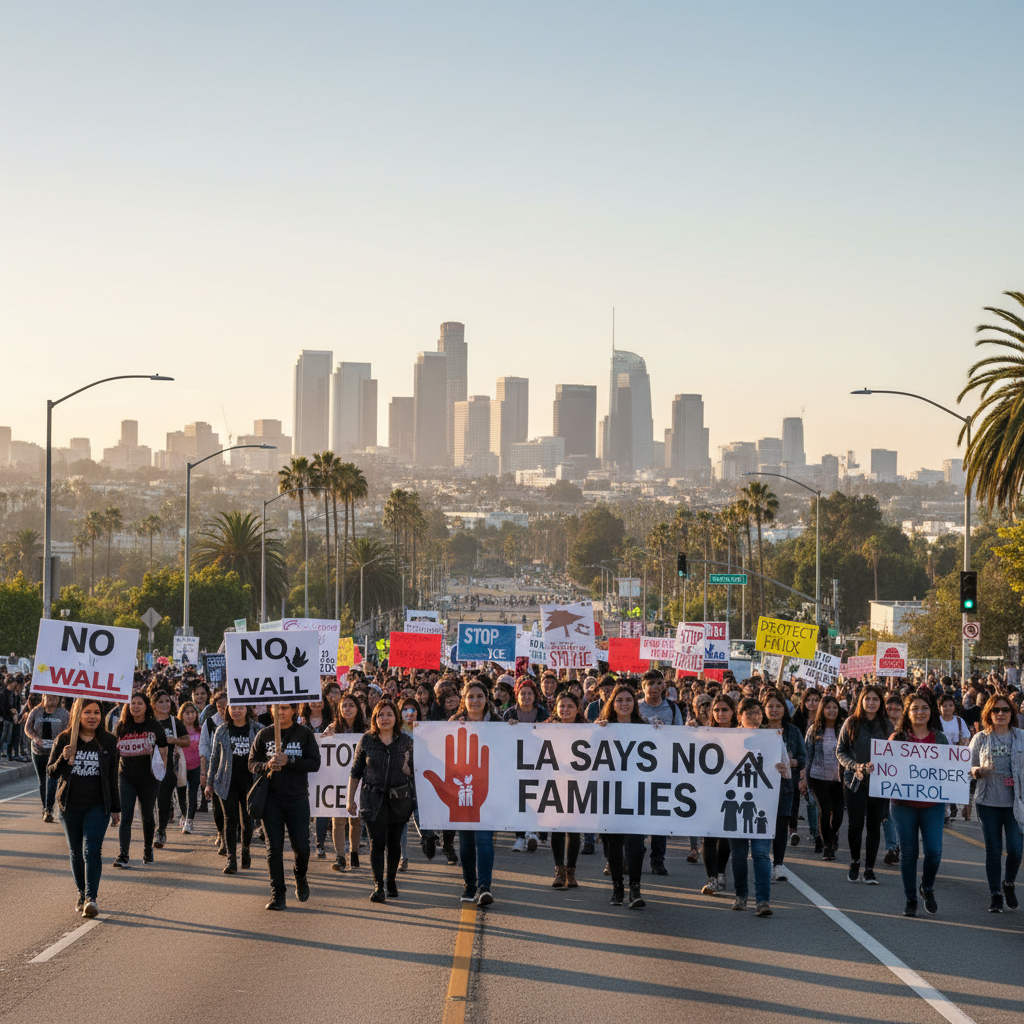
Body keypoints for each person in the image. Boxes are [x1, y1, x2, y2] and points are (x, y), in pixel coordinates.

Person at [47, 699, 121, 918]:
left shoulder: (108, 741)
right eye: (87, 712)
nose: (92, 716)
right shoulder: (64, 739)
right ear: (78, 714)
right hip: (69, 805)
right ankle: (81, 892)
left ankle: (91, 898)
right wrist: (64, 757)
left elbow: (111, 777)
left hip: (98, 806)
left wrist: (116, 808)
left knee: (92, 850)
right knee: (75, 852)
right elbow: (51, 772)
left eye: (97, 712)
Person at [248, 704, 322, 911]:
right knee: (274, 849)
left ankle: (300, 874)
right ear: (271, 710)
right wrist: (266, 765)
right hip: (271, 800)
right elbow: (252, 762)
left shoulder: (304, 734)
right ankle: (277, 894)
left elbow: (315, 763)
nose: (281, 712)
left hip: (297, 799)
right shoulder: (264, 734)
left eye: (286, 708)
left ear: (294, 711)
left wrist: (290, 760)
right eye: (277, 708)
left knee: (302, 847)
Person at [347, 699, 415, 904]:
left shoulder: (406, 741)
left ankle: (391, 880)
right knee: (377, 843)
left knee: (394, 844)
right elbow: (355, 772)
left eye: (389, 714)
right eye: (380, 715)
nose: (384, 719)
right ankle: (378, 886)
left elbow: (416, 772)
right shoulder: (367, 740)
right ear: (375, 719)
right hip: (372, 799)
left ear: (396, 717)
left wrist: (407, 770)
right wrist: (350, 799)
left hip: (399, 800)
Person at [889, 694, 950, 917]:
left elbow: (948, 769)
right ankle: (910, 898)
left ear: (931, 712)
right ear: (908, 712)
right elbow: (886, 766)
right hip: (902, 804)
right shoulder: (897, 737)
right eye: (915, 708)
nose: (920, 712)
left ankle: (927, 886)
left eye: (925, 708)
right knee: (908, 853)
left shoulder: (940, 738)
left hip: (932, 803)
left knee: (934, 851)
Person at [730, 697, 788, 917]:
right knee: (738, 854)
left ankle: (763, 901)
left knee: (762, 854)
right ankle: (741, 895)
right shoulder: (729, 739)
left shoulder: (773, 739)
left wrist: (783, 768)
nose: (754, 716)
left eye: (757, 712)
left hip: (763, 803)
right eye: (749, 712)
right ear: (740, 716)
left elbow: (787, 772)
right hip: (734, 803)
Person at [446, 680, 499, 905]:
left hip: (490, 789)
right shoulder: (453, 723)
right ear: (463, 700)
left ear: (487, 699)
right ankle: (470, 885)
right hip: (462, 789)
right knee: (466, 840)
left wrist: (515, 728)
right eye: (471, 697)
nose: (475, 701)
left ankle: (484, 886)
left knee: (485, 838)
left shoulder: (500, 723)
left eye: (479, 696)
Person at [969, 694, 1023, 912]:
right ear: (988, 714)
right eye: (996, 710)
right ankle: (996, 895)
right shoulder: (980, 738)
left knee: (1016, 850)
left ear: (1012, 713)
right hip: (987, 801)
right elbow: (967, 767)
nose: (1001, 714)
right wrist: (978, 771)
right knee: (993, 850)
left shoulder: (1020, 737)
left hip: (1015, 803)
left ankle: (1008, 883)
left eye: (1005, 710)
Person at [596, 684, 647, 909]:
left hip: (636, 792)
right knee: (614, 843)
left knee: (635, 842)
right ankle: (618, 887)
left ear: (634, 703)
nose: (624, 704)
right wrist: (596, 731)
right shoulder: (604, 727)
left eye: (628, 699)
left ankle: (635, 887)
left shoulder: (643, 727)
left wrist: (659, 730)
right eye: (619, 700)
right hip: (610, 791)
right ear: (612, 704)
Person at [836, 685, 889, 884]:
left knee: (874, 826)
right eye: (867, 699)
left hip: (879, 783)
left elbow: (897, 752)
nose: (871, 703)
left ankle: (869, 869)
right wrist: (855, 766)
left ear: (880, 702)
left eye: (875, 699)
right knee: (855, 825)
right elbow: (840, 751)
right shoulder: (851, 723)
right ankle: (855, 861)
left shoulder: (888, 726)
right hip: (854, 782)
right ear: (861, 701)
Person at [113, 692, 168, 868]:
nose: (135, 706)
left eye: (139, 703)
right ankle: (123, 854)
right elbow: (114, 754)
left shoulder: (154, 726)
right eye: (132, 703)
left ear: (146, 706)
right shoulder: (122, 726)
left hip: (149, 779)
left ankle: (147, 849)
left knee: (147, 816)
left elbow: (164, 750)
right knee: (127, 815)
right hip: (126, 776)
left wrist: (162, 772)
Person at [637, 670, 682, 876]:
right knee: (636, 815)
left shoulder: (672, 708)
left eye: (658, 683)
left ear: (664, 686)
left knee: (660, 817)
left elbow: (681, 737)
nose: (654, 687)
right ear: (643, 686)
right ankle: (635, 854)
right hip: (637, 771)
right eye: (650, 684)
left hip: (663, 770)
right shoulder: (636, 707)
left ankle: (658, 860)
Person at [207, 702, 260, 874]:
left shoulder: (258, 729)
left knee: (247, 821)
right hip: (226, 782)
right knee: (230, 820)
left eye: (240, 708)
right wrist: (209, 782)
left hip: (250, 782)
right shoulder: (221, 730)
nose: (236, 711)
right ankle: (231, 859)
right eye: (233, 708)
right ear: (228, 710)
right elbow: (214, 757)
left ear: (247, 710)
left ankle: (245, 849)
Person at [762, 689, 805, 883]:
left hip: (785, 787)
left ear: (785, 709)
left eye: (778, 706)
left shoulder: (793, 731)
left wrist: (791, 762)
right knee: (761, 826)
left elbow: (803, 758)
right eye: (770, 706)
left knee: (780, 827)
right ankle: (761, 861)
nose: (774, 710)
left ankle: (778, 865)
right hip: (759, 787)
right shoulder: (757, 729)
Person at [545, 691, 585, 889]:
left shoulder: (587, 729)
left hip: (578, 784)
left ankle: (571, 872)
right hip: (555, 782)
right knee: (557, 828)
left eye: (570, 706)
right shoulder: (547, 727)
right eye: (562, 706)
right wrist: (515, 728)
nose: (565, 710)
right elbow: (527, 737)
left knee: (573, 830)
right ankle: (559, 871)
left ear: (577, 709)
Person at [324, 693, 366, 871]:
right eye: (344, 706)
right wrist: (326, 737)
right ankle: (340, 856)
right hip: (337, 780)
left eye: (351, 705)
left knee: (355, 819)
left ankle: (354, 853)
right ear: (340, 710)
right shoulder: (333, 728)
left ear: (357, 709)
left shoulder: (365, 729)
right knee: (338, 820)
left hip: (358, 780)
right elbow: (323, 747)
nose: (347, 709)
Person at [701, 694, 737, 896]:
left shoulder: (741, 734)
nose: (720, 714)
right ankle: (711, 879)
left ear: (733, 712)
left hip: (732, 790)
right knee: (708, 835)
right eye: (717, 710)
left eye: (725, 710)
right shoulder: (705, 734)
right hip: (708, 789)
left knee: (725, 835)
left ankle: (721, 872)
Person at [803, 694, 844, 861]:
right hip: (818, 777)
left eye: (834, 707)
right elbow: (808, 756)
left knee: (839, 815)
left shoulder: (843, 728)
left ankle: (832, 835)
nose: (832, 710)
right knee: (824, 811)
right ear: (822, 710)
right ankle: (828, 846)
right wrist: (804, 779)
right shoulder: (814, 730)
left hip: (839, 779)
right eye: (828, 707)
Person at [152, 689, 190, 849]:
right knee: (149, 802)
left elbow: (187, 741)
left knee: (163, 800)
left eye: (167, 701)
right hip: (148, 767)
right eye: (160, 701)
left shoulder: (175, 722)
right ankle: (152, 829)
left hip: (169, 768)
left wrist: (175, 740)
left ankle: (160, 831)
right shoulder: (148, 721)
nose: (164, 704)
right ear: (153, 704)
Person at [24, 692, 69, 822]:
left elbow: (69, 729)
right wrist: (35, 737)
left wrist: (61, 741)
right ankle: (45, 808)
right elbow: (27, 728)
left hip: (55, 752)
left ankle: (49, 808)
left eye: (55, 697)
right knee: (42, 781)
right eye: (49, 697)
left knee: (53, 779)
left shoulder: (64, 713)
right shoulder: (36, 711)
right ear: (43, 697)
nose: (52, 699)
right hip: (38, 751)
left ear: (59, 698)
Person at [199, 691, 229, 853]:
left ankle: (232, 833)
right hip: (215, 770)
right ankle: (221, 833)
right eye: (219, 707)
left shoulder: (238, 722)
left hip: (233, 771)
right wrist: (203, 771)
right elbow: (204, 746)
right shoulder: (210, 723)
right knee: (217, 805)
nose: (223, 710)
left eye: (226, 707)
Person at [937, 695, 971, 823]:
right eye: (944, 705)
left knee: (950, 786)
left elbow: (966, 738)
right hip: (940, 760)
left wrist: (962, 748)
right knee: (941, 785)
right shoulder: (937, 721)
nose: (948, 708)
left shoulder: (959, 721)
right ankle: (944, 813)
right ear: (940, 707)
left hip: (955, 760)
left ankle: (948, 811)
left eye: (950, 705)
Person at [176, 701, 203, 833]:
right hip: (181, 765)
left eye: (193, 712)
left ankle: (189, 821)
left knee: (193, 793)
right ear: (182, 715)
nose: (190, 715)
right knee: (181, 793)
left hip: (196, 765)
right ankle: (184, 814)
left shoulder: (200, 730)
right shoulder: (178, 730)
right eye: (187, 712)